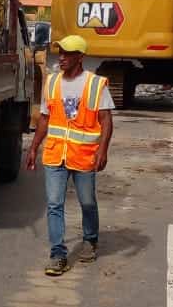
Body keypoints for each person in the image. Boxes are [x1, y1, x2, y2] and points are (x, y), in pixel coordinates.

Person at [25, 34, 114, 277]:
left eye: (67, 54)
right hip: (55, 155)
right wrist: (34, 147)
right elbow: (44, 118)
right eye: (60, 53)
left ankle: (90, 239)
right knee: (54, 204)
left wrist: (103, 151)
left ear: (80, 57)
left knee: (87, 202)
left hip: (83, 156)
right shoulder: (52, 82)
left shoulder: (95, 84)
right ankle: (58, 255)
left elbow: (106, 121)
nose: (61, 58)